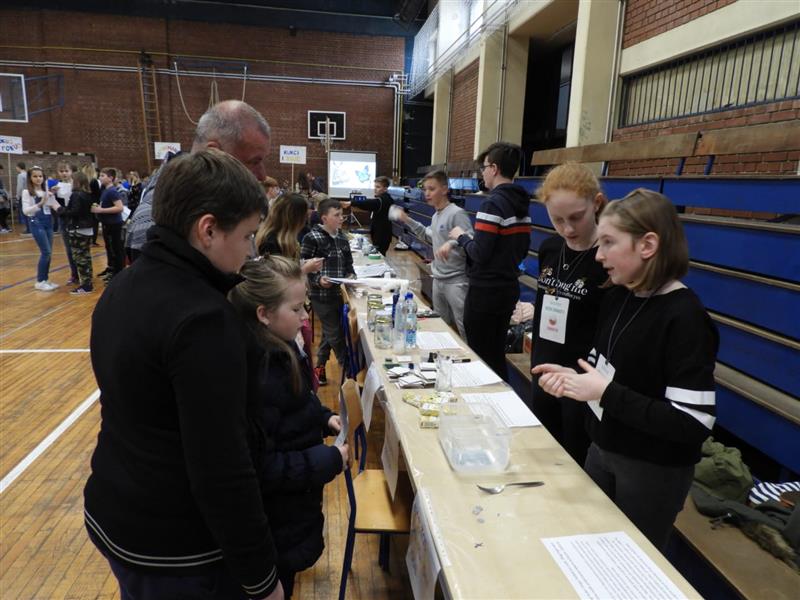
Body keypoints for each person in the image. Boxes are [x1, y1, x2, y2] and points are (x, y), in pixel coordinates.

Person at [84, 149, 284, 600]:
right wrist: (260, 577)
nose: (250, 250)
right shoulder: (203, 320)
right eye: (247, 235)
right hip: (175, 547)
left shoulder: (125, 284)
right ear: (208, 230)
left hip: (117, 510)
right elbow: (221, 466)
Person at [534, 188, 718, 551]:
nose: (598, 255)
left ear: (647, 245)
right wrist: (575, 380)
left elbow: (693, 422)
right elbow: (608, 371)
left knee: (629, 560)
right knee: (589, 545)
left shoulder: (685, 318)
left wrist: (605, 393)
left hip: (650, 470)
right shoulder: (619, 295)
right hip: (602, 450)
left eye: (608, 243)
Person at [228, 257, 348, 598]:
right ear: (264, 314)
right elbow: (263, 467)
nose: (305, 317)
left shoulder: (280, 349)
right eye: (296, 309)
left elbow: (298, 403)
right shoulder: (260, 372)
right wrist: (329, 460)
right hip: (275, 522)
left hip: (290, 515)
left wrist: (323, 418)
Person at [527, 163, 609, 467]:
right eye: (557, 219)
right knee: (544, 456)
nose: (568, 229)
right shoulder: (551, 248)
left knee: (575, 461)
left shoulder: (608, 259)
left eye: (576, 217)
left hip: (581, 380)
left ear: (596, 203)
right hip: (544, 368)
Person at [125, 100, 271, 263]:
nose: (262, 175)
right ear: (214, 153)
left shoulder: (226, 203)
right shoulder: (151, 221)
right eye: (254, 161)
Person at [448, 142, 531, 381]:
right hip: (507, 289)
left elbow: (479, 253)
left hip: (485, 293)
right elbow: (521, 249)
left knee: (482, 358)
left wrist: (461, 237)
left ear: (494, 169)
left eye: (484, 168)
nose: (482, 173)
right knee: (495, 355)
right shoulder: (521, 203)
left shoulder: (492, 203)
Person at [394, 170, 472, 338]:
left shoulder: (456, 213)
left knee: (464, 327)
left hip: (456, 281)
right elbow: (427, 235)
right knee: (440, 325)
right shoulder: (436, 216)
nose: (427, 193)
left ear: (444, 189)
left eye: (432, 189)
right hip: (438, 278)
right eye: (425, 189)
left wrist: (451, 244)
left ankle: (471, 355)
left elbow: (470, 238)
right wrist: (407, 220)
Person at [300, 198, 355, 386]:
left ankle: (319, 368)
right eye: (337, 215)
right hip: (320, 296)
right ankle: (350, 373)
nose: (341, 218)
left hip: (339, 294)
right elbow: (304, 268)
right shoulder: (311, 238)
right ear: (324, 218)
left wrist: (351, 276)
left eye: (342, 215)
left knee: (328, 333)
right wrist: (318, 280)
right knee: (336, 335)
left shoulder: (342, 238)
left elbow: (349, 265)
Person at [21, 166, 60, 291]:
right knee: (46, 252)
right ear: (30, 178)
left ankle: (45, 279)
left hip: (48, 222)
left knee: (49, 253)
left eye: (40, 176)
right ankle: (40, 281)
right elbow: (26, 211)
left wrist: (52, 195)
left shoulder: (46, 191)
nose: (38, 179)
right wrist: (40, 204)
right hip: (36, 222)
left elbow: (52, 205)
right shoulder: (27, 192)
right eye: (35, 176)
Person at [58, 170, 96, 294]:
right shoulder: (87, 194)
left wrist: (60, 210)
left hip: (78, 229)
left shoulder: (76, 194)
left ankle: (86, 285)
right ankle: (87, 281)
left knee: (80, 258)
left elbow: (74, 211)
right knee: (86, 256)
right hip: (87, 228)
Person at [341, 175, 393, 255]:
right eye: (375, 186)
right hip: (379, 233)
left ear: (385, 189)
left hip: (382, 235)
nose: (375, 189)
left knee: (379, 255)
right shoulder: (382, 199)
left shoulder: (384, 200)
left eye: (378, 187)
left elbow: (369, 203)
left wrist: (351, 203)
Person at [91, 168, 125, 283]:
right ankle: (112, 269)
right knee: (110, 249)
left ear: (110, 178)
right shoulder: (105, 190)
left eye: (102, 175)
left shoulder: (112, 191)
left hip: (114, 224)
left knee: (116, 249)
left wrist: (101, 210)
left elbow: (119, 207)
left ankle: (118, 273)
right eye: (100, 175)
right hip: (107, 224)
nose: (100, 178)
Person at [51, 162, 79, 284]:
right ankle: (74, 274)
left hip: (77, 219)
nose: (64, 173)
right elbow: (53, 205)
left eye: (66, 171)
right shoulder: (56, 186)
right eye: (61, 171)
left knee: (79, 247)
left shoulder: (77, 185)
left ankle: (84, 272)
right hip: (64, 220)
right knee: (69, 249)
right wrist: (52, 194)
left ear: (71, 172)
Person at [16, 162, 30, 234]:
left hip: (23, 196)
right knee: (29, 212)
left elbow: (20, 187)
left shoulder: (20, 175)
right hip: (29, 195)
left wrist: (18, 196)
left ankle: (28, 229)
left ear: (19, 167)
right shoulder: (28, 174)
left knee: (24, 212)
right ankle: (30, 227)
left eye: (16, 167)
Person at [0, 164, 10, 232]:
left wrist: (7, 194)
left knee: (5, 211)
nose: (2, 172)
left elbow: (3, 188)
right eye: (1, 170)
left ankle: (4, 226)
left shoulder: (0, 178)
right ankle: (3, 227)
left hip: (3, 196)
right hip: (1, 196)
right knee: (2, 211)